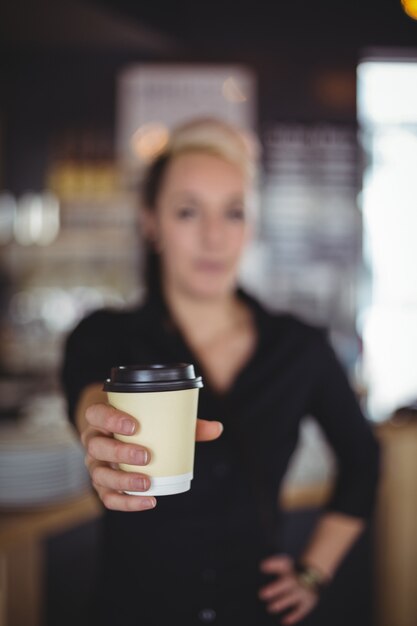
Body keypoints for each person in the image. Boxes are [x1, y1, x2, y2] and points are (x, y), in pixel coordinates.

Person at [61, 117, 380, 626]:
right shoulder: (104, 336)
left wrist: (314, 574)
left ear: (250, 227)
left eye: (233, 212)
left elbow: (363, 460)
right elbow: (91, 401)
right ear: (151, 223)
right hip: (133, 611)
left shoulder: (298, 347)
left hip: (253, 611)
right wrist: (104, 431)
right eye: (188, 211)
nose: (214, 235)